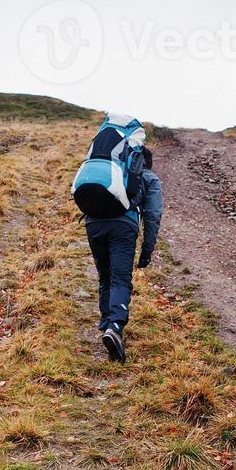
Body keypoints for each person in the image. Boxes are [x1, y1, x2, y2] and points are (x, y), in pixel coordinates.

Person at [82, 118, 162, 362]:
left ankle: (106, 321)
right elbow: (153, 216)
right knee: (120, 278)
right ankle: (115, 327)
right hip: (123, 226)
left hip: (93, 221)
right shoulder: (148, 179)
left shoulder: (110, 169)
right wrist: (147, 252)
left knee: (105, 276)